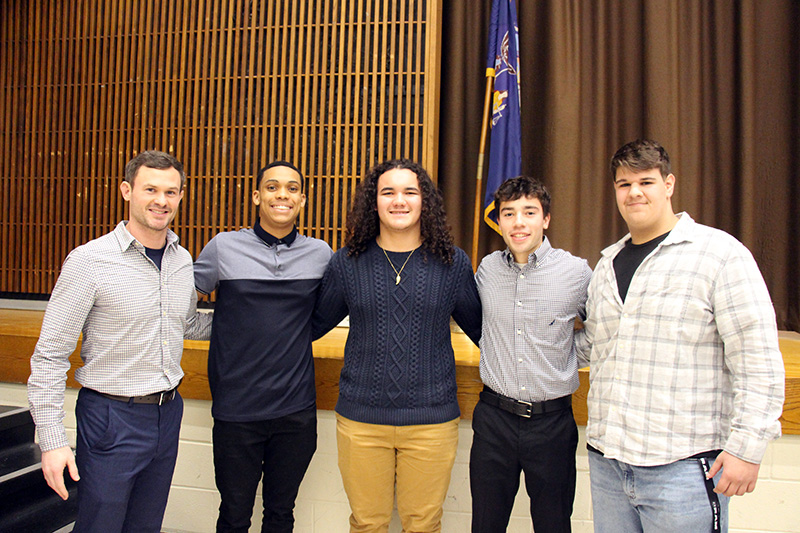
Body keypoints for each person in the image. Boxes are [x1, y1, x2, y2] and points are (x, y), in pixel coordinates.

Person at [577, 139, 785, 532]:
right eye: (624, 184)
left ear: (668, 184)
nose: (634, 192)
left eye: (646, 182)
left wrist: (746, 449)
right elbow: (592, 348)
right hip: (608, 464)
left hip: (684, 469)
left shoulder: (718, 254)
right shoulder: (605, 266)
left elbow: (757, 359)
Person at [27, 150, 212, 532]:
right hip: (111, 417)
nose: (161, 200)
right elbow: (49, 355)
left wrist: (256, 321)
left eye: (171, 192)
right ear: (127, 191)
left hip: (167, 413)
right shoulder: (89, 261)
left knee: (146, 525)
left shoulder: (181, 260)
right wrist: (51, 440)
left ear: (181, 196)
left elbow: (187, 324)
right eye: (150, 189)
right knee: (101, 526)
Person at [313, 158, 482, 532]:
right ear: (373, 202)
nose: (399, 200)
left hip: (432, 422)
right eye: (388, 192)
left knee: (423, 524)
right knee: (367, 523)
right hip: (360, 420)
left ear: (425, 202)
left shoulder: (452, 263)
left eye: (410, 191)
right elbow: (309, 326)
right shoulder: (347, 263)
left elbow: (486, 332)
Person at [194, 161, 333, 533]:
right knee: (234, 515)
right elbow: (177, 300)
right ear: (257, 196)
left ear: (302, 199)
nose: (282, 195)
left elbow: (322, 315)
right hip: (237, 411)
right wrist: (225, 329)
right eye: (272, 187)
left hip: (295, 413)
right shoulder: (223, 247)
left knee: (281, 514)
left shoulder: (321, 254)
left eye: (291, 188)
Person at [470, 176, 591, 533]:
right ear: (500, 221)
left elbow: (604, 331)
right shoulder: (487, 270)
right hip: (494, 420)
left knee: (553, 525)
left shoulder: (576, 272)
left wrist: (567, 355)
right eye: (509, 213)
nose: (518, 222)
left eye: (529, 212)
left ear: (546, 219)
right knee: (485, 525)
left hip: (551, 424)